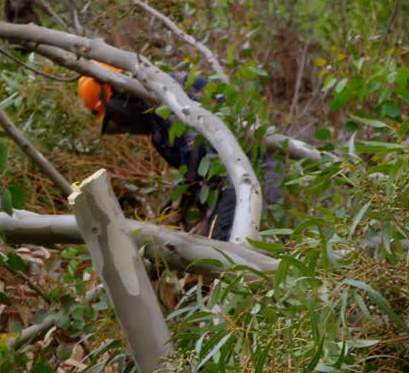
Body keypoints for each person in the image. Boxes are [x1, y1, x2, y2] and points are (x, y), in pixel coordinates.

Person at [77, 63, 284, 241]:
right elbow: (198, 175)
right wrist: (177, 207)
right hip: (227, 181)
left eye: (116, 117)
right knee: (212, 244)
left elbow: (196, 151)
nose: (122, 125)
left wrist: (181, 201)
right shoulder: (157, 130)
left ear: (120, 96)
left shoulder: (167, 93)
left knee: (226, 248)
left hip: (249, 171)